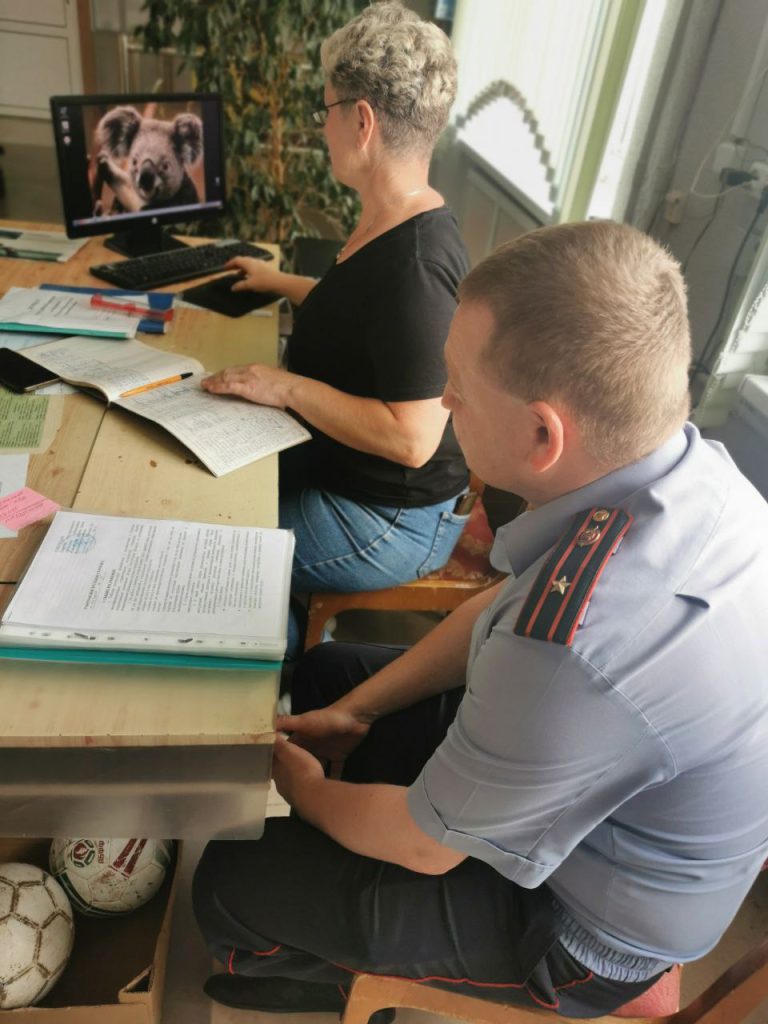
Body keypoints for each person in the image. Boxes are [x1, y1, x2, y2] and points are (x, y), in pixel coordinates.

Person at [193, 220, 768, 1018]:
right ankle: (340, 865)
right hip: (611, 796)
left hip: (584, 931)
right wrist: (356, 709)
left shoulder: (577, 651)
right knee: (329, 675)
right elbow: (505, 606)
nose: (444, 401)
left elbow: (425, 846)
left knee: (231, 877)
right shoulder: (687, 469)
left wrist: (307, 789)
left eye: (457, 385)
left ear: (541, 433)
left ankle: (313, 976)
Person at [202, 2, 470, 653]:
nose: (323, 128)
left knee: (217, 550)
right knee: (207, 496)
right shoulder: (391, 217)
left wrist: (286, 387)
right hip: (352, 480)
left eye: (326, 111)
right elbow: (361, 312)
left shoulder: (416, 266)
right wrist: (281, 283)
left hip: (390, 520)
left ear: (362, 120)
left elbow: (413, 439)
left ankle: (286, 669)